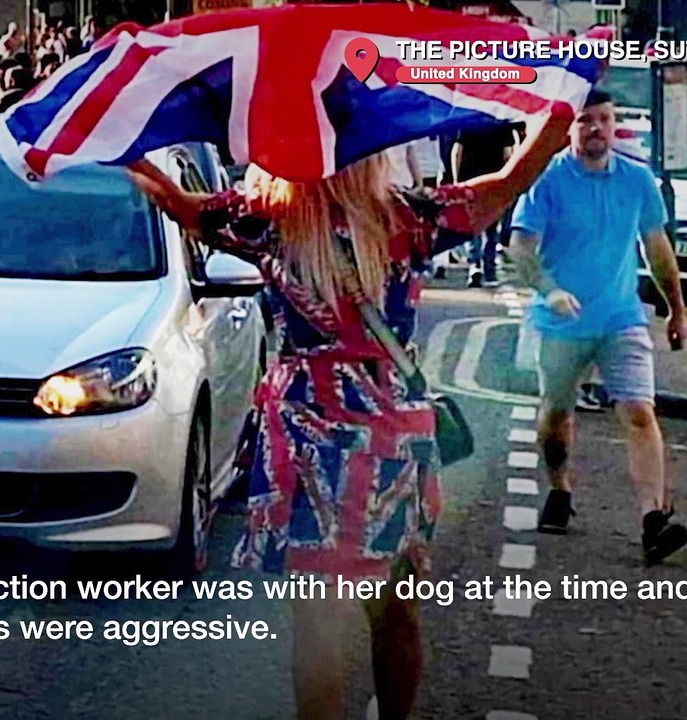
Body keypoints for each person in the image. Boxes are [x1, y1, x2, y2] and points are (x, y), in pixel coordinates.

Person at [126, 109, 572, 720]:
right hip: (392, 429)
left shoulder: (269, 221)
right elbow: (507, 183)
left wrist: (118, 142)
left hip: (305, 428)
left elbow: (173, 200)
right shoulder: (409, 217)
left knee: (318, 620)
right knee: (396, 606)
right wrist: (559, 112)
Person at [507, 88, 687, 565]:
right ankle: (559, 488)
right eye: (585, 120)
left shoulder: (637, 180)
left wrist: (677, 309)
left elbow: (656, 248)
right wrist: (549, 290)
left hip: (621, 317)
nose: (596, 129)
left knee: (640, 411)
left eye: (604, 119)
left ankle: (653, 519)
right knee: (557, 415)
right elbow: (521, 249)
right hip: (560, 324)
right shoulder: (546, 180)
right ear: (570, 128)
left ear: (614, 125)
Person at [451, 124, 516, 287]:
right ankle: (490, 270)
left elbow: (457, 151)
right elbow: (508, 155)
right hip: (494, 183)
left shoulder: (470, 121)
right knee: (492, 228)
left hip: (470, 183)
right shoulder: (502, 125)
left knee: (472, 226)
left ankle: (475, 265)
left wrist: (456, 181)